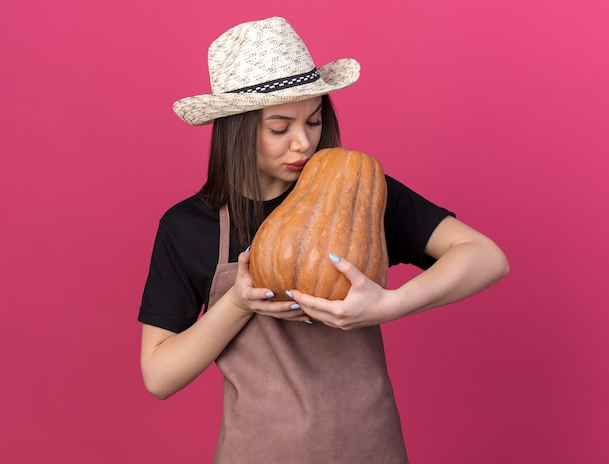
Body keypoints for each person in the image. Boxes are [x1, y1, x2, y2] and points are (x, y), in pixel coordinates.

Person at [138, 16, 509, 463]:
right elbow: (159, 377)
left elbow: (486, 257)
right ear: (235, 130)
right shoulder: (187, 226)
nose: (303, 143)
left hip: (370, 449)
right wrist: (236, 304)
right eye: (280, 128)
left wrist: (391, 304)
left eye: (313, 120)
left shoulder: (358, 193)